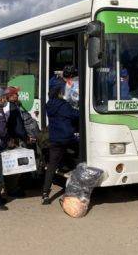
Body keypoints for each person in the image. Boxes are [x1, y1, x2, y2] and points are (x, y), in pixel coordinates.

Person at [42, 77, 79, 205]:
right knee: (79, 159)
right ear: (60, 90)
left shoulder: (49, 104)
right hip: (67, 138)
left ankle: (45, 194)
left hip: (54, 139)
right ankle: (76, 190)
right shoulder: (64, 105)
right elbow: (76, 115)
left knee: (52, 165)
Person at [3, 86, 27, 198]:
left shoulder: (7, 106)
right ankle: (12, 190)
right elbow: (18, 127)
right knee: (15, 167)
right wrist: (24, 137)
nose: (18, 95)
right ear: (11, 96)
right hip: (14, 140)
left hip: (8, 139)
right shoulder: (12, 108)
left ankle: (10, 187)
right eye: (16, 94)